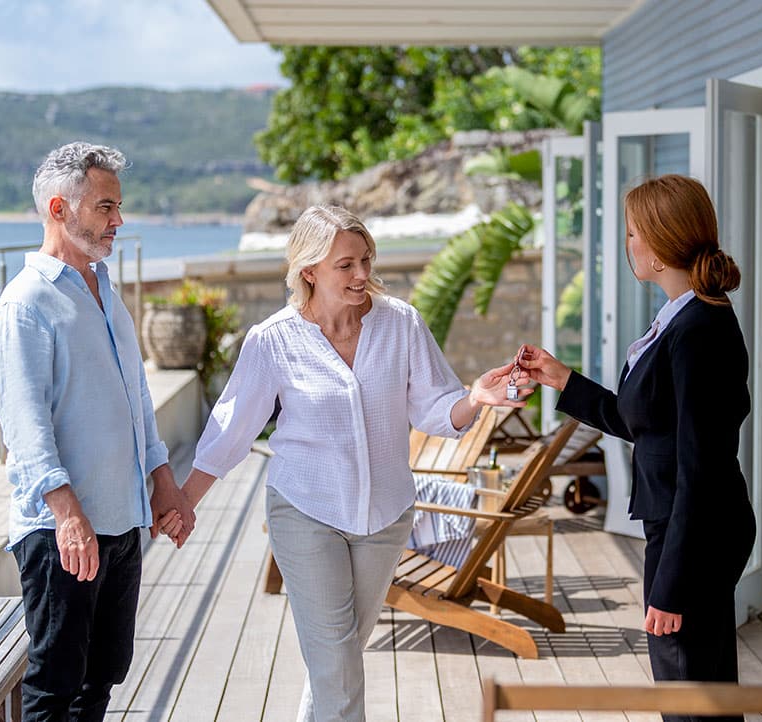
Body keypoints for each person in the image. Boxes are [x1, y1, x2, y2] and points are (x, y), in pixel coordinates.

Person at [178, 205, 530, 722]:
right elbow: (229, 433)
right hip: (305, 513)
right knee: (339, 671)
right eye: (346, 264)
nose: (363, 274)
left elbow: (435, 409)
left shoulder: (401, 323)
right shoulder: (274, 340)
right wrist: (184, 504)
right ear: (309, 271)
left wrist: (475, 397)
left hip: (385, 519)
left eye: (365, 260)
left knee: (336, 664)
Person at [517, 174, 756, 722]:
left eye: (632, 233)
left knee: (689, 697)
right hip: (688, 528)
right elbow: (648, 425)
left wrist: (670, 587)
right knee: (706, 691)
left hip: (691, 534)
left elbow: (702, 468)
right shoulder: (683, 316)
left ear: (659, 243)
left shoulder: (697, 331)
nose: (628, 244)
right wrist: (562, 379)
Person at [0, 141, 195, 721]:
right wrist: (67, 514)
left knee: (100, 679)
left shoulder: (106, 291)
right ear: (59, 209)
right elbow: (25, 430)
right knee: (55, 686)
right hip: (63, 533)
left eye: (118, 206)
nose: (118, 220)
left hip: (121, 520)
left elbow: (136, 402)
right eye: (105, 207)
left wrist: (163, 480)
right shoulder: (25, 305)